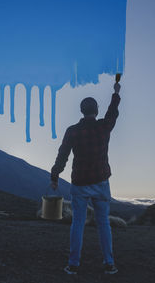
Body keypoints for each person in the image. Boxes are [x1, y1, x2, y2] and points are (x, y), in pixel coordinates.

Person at [50, 81, 121, 275]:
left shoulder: (72, 131)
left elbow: (62, 155)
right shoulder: (104, 127)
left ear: (81, 111)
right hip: (101, 181)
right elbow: (112, 112)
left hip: (80, 183)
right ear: (96, 111)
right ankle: (109, 263)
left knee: (78, 223)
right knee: (103, 223)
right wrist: (115, 94)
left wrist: (54, 176)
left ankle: (73, 264)